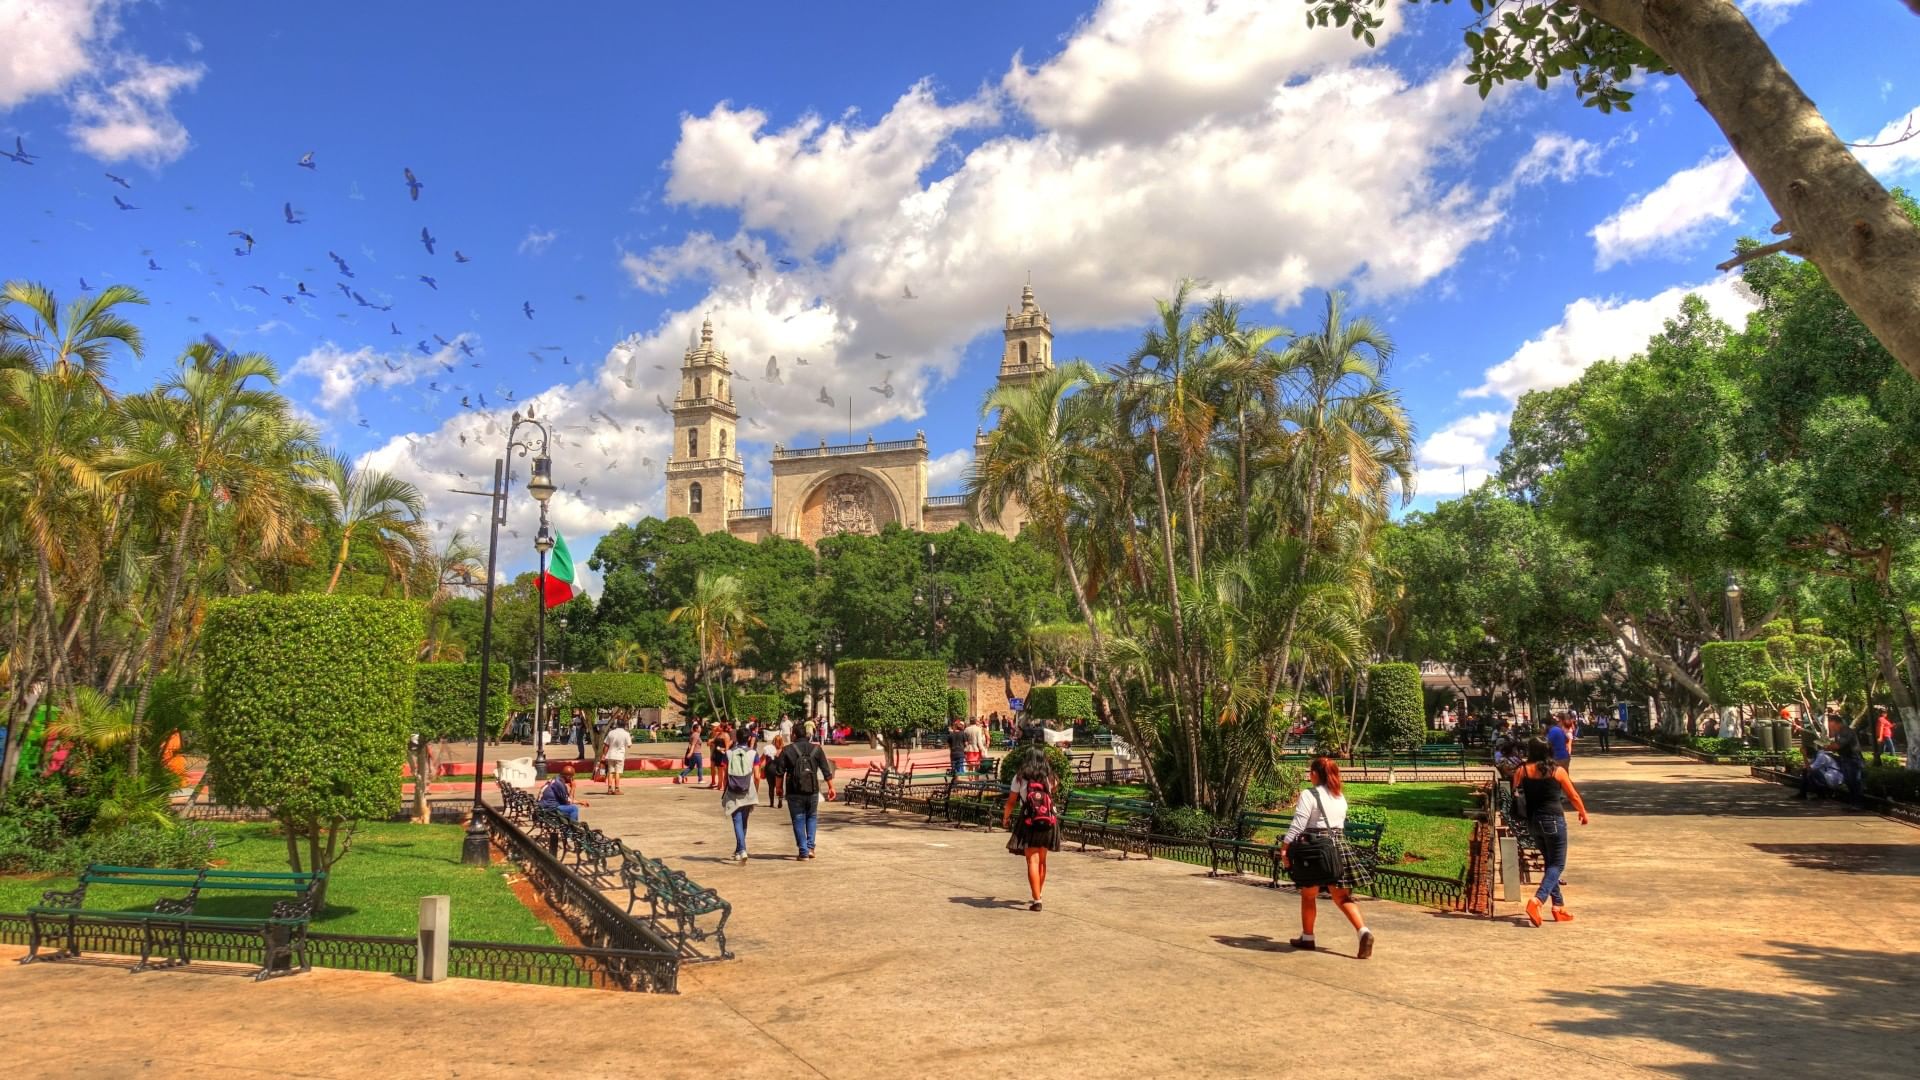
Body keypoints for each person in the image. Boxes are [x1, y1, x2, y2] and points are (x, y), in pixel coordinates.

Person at [1280, 756, 1374, 958]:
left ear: (1314, 774)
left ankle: (1308, 937)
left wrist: (1285, 847)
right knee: (1342, 896)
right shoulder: (1338, 796)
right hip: (1338, 846)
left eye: (1310, 773)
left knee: (1308, 893)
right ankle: (1363, 931)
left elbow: (1299, 823)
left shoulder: (1310, 794)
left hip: (1315, 848)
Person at [1515, 737, 1589, 927]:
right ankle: (1538, 900)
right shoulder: (1558, 771)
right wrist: (1582, 812)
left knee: (1550, 863)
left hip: (1533, 822)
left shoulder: (1522, 770)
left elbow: (1515, 791)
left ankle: (1558, 906)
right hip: (1554, 821)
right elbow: (1572, 795)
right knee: (1557, 865)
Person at [1000, 748, 1061, 911]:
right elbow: (1053, 791)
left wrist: (1005, 817)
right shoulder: (1050, 777)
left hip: (1028, 820)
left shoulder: (1020, 778)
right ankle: (1038, 893)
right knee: (1042, 860)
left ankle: (1037, 899)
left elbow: (1011, 801)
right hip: (1048, 822)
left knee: (1032, 861)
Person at [772, 720, 837, 859]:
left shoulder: (787, 750)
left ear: (794, 735)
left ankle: (803, 851)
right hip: (813, 789)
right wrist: (831, 787)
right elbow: (826, 770)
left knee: (798, 819)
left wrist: (778, 789)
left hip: (794, 791)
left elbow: (779, 772)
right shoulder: (816, 749)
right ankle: (811, 847)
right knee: (812, 817)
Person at [718, 729, 766, 863]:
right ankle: (739, 849)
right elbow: (757, 776)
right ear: (749, 738)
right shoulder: (753, 753)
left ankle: (742, 849)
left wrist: (725, 787)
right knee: (744, 821)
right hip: (748, 789)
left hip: (733, 790)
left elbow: (725, 773)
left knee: (737, 821)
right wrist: (755, 789)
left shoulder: (728, 753)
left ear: (737, 738)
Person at [1826, 711, 1865, 808]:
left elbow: (1837, 745)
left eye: (1832, 726)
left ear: (1837, 723)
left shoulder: (1846, 731)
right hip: (1845, 759)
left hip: (1853, 760)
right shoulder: (1838, 733)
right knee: (1848, 782)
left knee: (1855, 782)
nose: (1831, 728)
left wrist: (1827, 746)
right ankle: (1853, 803)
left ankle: (1858, 803)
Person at [602, 719, 632, 794]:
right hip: (620, 755)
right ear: (624, 725)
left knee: (610, 772)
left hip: (610, 754)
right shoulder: (626, 734)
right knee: (617, 772)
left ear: (617, 724)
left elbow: (606, 745)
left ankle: (609, 789)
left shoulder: (611, 733)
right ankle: (617, 789)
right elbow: (629, 745)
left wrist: (603, 755)